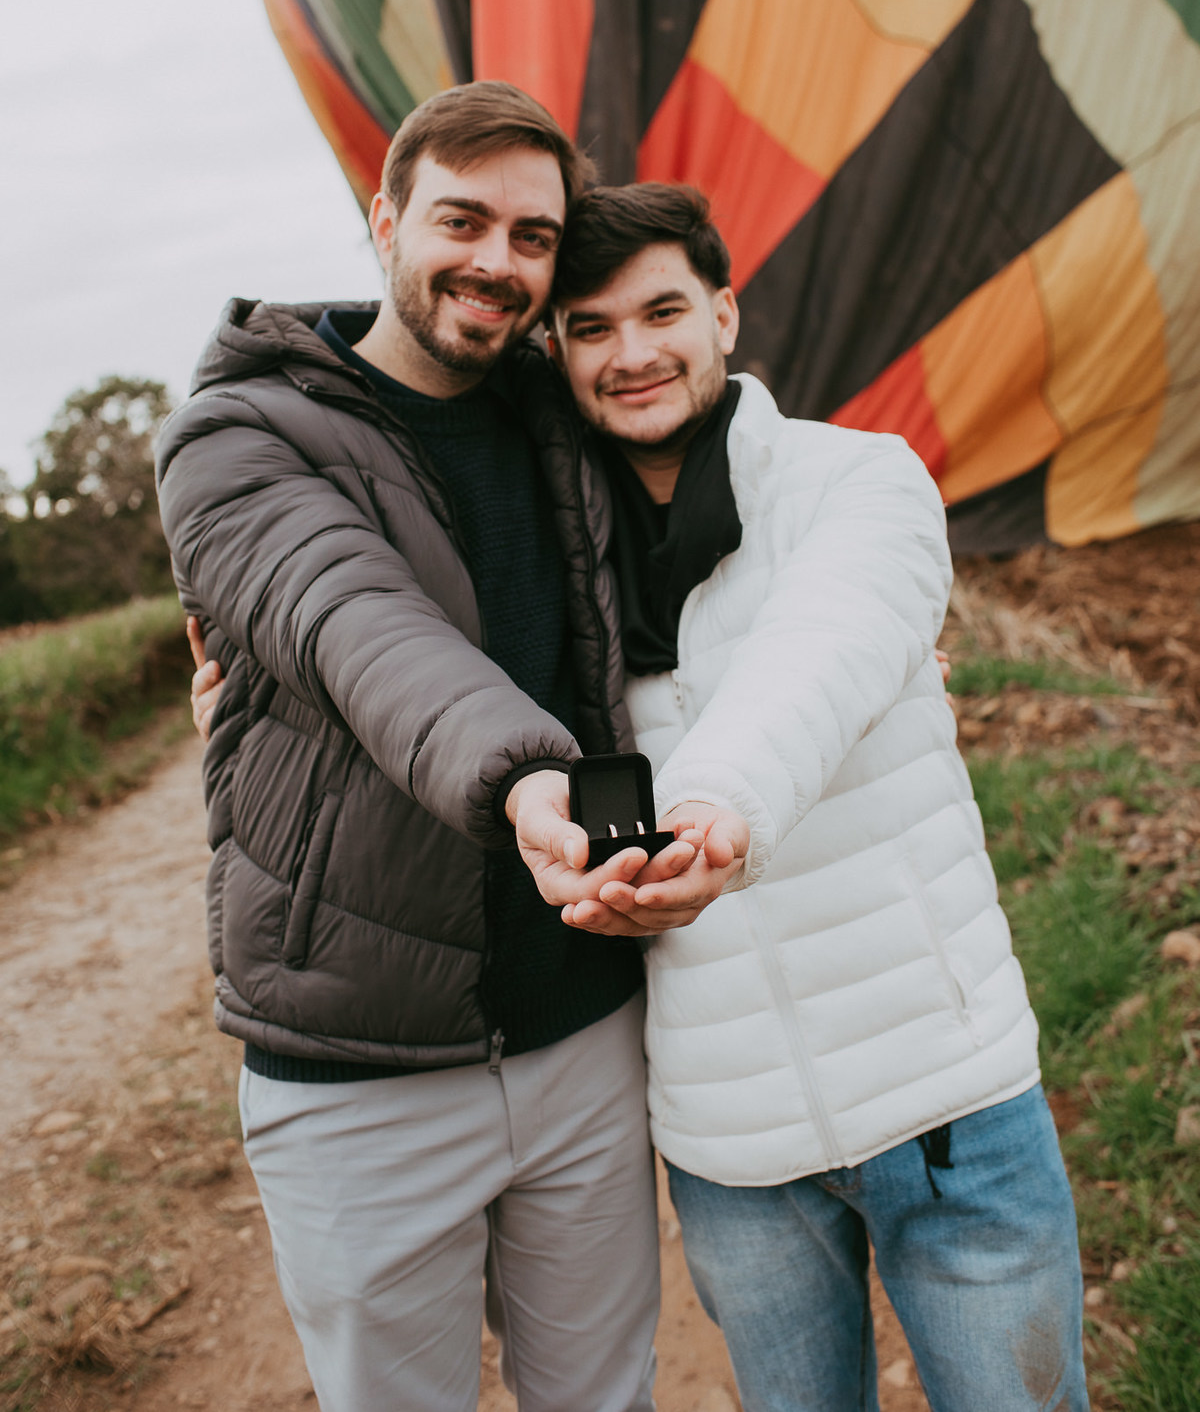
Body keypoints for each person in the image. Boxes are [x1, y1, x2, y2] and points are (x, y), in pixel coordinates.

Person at [156, 82, 744, 1412]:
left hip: (585, 1024)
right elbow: (354, 621)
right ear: (384, 216)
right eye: (462, 219)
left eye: (532, 236)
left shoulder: (560, 412)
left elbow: (704, 450)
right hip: (359, 1060)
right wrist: (528, 778)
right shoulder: (236, 437)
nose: (498, 261)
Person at [523, 181, 1088, 1412]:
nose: (632, 354)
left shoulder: (859, 482)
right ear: (552, 350)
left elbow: (821, 655)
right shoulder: (549, 571)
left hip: (949, 1106)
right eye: (590, 327)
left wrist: (720, 805)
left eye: (662, 310)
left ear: (725, 313)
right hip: (735, 1151)